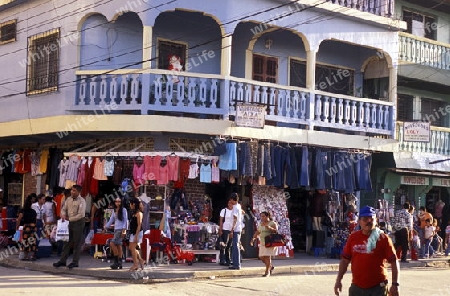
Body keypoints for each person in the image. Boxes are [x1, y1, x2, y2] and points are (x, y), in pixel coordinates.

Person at [334, 205, 399, 296]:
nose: (368, 221)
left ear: (376, 220)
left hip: (378, 288)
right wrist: (338, 280)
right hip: (357, 288)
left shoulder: (383, 238)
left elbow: (394, 261)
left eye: (371, 219)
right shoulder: (353, 238)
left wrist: (395, 284)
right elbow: (345, 260)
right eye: (365, 219)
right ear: (359, 221)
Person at [53, 185, 86, 269]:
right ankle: (62, 261)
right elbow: (64, 209)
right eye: (72, 190)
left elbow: (81, 214)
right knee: (66, 242)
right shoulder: (68, 199)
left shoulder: (82, 201)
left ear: (79, 192)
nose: (72, 192)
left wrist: (69, 218)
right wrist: (63, 215)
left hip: (78, 222)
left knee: (76, 243)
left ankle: (75, 262)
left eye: (74, 190)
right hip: (68, 222)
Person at [103, 197, 128, 270]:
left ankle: (116, 261)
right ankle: (119, 262)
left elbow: (125, 220)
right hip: (116, 229)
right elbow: (111, 220)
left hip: (120, 229)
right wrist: (105, 227)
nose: (118, 203)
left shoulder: (123, 210)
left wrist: (124, 230)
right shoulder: (114, 211)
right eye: (116, 202)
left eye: (119, 202)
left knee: (112, 243)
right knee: (119, 245)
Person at [251, 211, 278, 277]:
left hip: (269, 243)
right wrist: (253, 238)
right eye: (261, 216)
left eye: (263, 216)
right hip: (262, 243)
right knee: (261, 257)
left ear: (267, 216)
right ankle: (270, 267)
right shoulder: (261, 224)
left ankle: (267, 272)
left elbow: (276, 231)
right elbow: (258, 232)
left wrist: (269, 228)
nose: (262, 218)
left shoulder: (272, 223)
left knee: (267, 257)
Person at [16, 195, 38, 261]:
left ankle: (23, 255)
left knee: (25, 241)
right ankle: (31, 256)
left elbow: (19, 219)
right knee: (32, 241)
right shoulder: (34, 212)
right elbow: (35, 220)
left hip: (26, 228)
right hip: (33, 227)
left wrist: (17, 227)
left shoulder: (22, 211)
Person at [128, 197, 144, 271]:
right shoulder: (133, 212)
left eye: (130, 204)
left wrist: (136, 236)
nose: (129, 205)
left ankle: (135, 265)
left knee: (132, 248)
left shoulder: (139, 213)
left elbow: (139, 225)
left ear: (133, 204)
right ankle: (140, 260)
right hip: (133, 232)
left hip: (137, 232)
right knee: (132, 248)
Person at [229, 192, 243, 270]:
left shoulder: (235, 208)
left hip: (236, 229)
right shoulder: (239, 206)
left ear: (232, 199)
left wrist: (232, 230)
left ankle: (236, 264)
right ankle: (235, 263)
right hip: (238, 228)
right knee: (235, 246)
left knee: (235, 246)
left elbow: (235, 219)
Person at [218, 198, 234, 266]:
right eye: (230, 203)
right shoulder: (224, 211)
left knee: (229, 246)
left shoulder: (235, 211)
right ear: (228, 204)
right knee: (224, 245)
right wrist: (220, 229)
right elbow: (221, 220)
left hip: (231, 230)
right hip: (225, 229)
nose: (231, 205)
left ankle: (228, 259)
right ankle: (222, 259)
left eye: (232, 203)